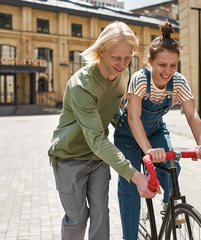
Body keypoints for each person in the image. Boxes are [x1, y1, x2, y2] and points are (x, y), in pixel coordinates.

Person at [48, 21, 160, 240]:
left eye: (128, 58)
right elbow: (97, 138)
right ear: (101, 52)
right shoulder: (83, 85)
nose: (122, 64)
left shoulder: (123, 76)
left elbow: (114, 114)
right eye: (116, 58)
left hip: (98, 159)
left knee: (101, 215)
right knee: (77, 219)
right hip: (69, 157)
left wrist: (140, 141)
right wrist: (135, 176)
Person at [113, 20, 201, 240]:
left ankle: (169, 203)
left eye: (173, 65)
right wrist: (148, 151)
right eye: (162, 65)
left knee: (172, 164)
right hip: (128, 136)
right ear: (150, 61)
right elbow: (133, 117)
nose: (167, 71)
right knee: (130, 188)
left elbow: (192, 114)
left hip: (155, 130)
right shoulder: (140, 79)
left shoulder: (178, 82)